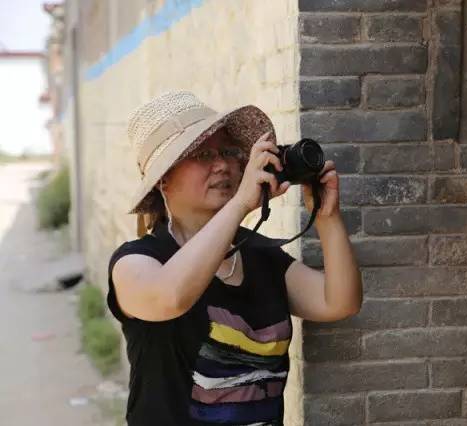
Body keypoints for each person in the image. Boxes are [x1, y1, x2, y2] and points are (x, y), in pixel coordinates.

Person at [107, 91, 362, 426]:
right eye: (203, 154)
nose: (223, 165)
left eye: (229, 152)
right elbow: (170, 297)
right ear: (163, 179)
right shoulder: (136, 262)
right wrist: (240, 203)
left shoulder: (259, 255)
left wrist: (327, 218)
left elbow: (339, 302)